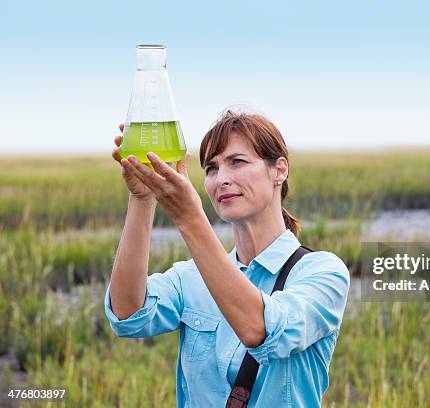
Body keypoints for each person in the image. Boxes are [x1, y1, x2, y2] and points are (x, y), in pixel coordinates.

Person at [104, 110, 350, 407]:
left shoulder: (322, 273)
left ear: (279, 170)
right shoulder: (190, 278)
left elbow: (259, 330)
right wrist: (143, 198)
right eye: (211, 168)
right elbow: (128, 315)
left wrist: (189, 218)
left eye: (237, 162)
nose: (222, 179)